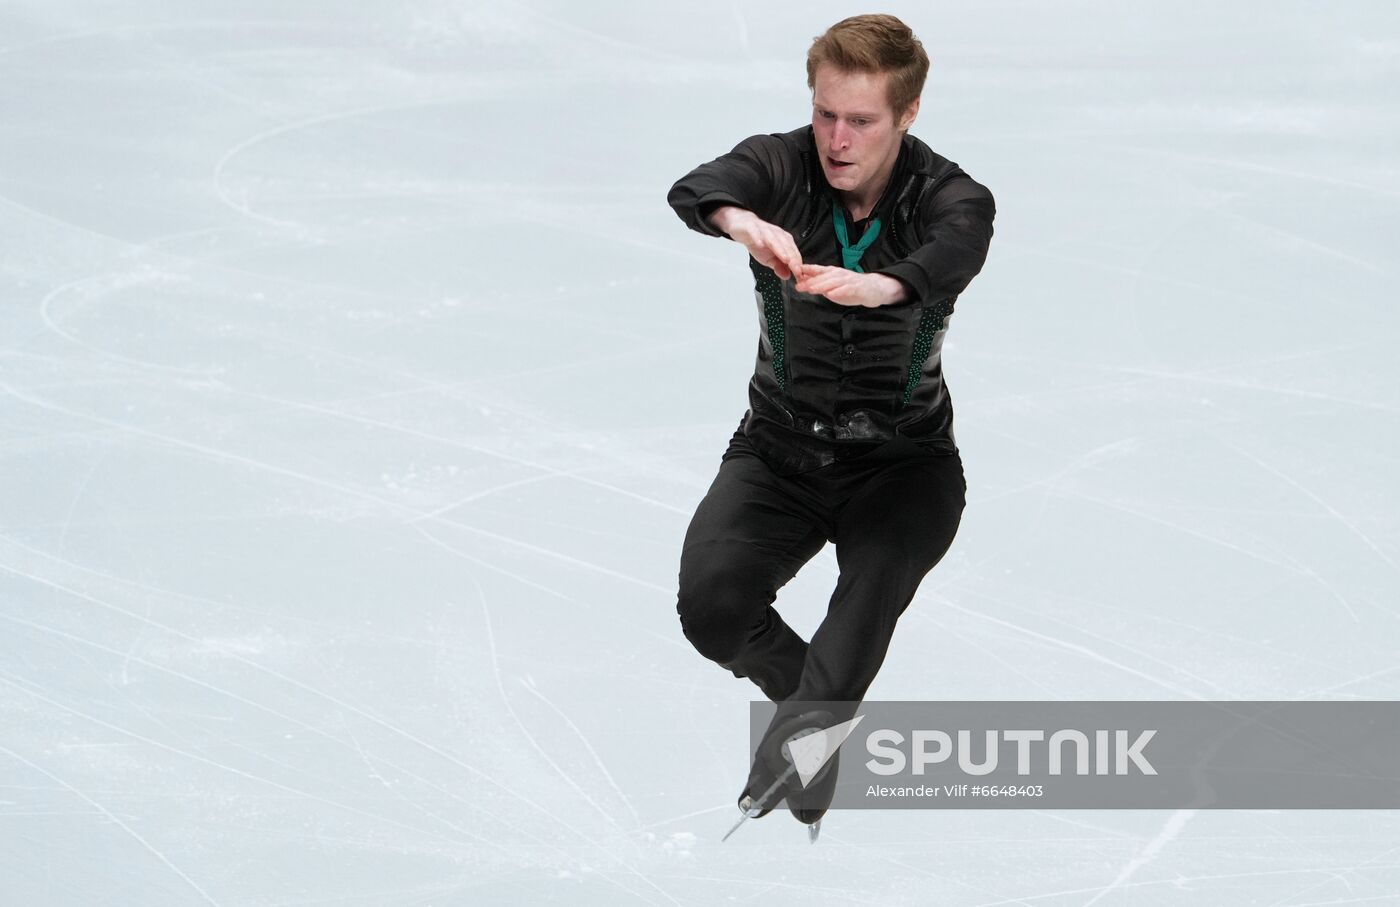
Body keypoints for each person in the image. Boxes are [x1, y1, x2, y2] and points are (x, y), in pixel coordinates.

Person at [666, 14, 995, 831]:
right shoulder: (780, 164)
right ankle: (816, 711)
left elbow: (960, 245)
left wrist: (885, 287)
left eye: (862, 120)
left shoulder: (950, 195)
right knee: (712, 609)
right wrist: (741, 220)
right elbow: (695, 186)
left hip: (903, 464)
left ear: (908, 115)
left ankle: (804, 746)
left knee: (865, 601)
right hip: (777, 451)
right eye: (825, 114)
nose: (837, 138)